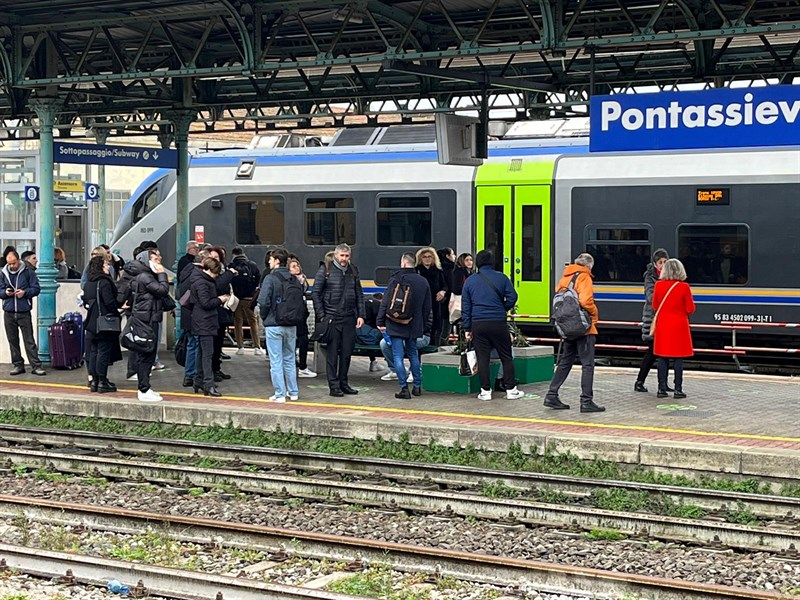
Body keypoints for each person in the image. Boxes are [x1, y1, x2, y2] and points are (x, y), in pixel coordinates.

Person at [544, 253, 604, 413]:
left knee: (565, 362)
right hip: (584, 328)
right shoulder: (584, 277)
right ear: (589, 266)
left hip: (568, 327)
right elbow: (586, 301)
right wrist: (595, 313)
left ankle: (551, 395)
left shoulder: (565, 278)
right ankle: (586, 401)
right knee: (587, 365)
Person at [461, 249, 523, 401]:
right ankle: (510, 390)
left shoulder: (470, 281)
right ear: (492, 262)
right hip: (498, 322)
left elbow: (466, 307)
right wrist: (503, 307)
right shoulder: (501, 278)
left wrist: (467, 328)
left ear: (477, 263)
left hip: (478, 324)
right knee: (506, 356)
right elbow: (513, 296)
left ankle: (485, 391)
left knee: (483, 358)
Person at [311, 243, 365, 397]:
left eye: (347, 256)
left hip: (349, 318)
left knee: (347, 353)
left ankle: (344, 383)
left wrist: (361, 314)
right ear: (335, 255)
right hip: (332, 318)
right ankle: (333, 386)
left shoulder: (353, 271)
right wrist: (322, 315)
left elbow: (359, 294)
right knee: (333, 354)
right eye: (342, 255)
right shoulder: (325, 270)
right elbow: (316, 293)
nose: (344, 259)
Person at [377, 252, 432, 399]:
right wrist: (422, 323)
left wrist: (380, 321)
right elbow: (427, 307)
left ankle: (404, 389)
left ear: (404, 263)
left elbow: (386, 301)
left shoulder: (396, 279)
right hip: (414, 324)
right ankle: (417, 386)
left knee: (398, 355)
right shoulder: (423, 281)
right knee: (413, 353)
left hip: (396, 322)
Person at [123, 248, 169, 402]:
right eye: (156, 258)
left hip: (148, 317)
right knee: (147, 355)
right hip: (147, 319)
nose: (160, 260)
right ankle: (143, 389)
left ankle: (146, 387)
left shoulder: (143, 276)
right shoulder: (145, 277)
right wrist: (162, 274)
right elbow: (162, 290)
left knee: (147, 354)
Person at [258, 248, 300, 402]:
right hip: (291, 324)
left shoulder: (271, 278)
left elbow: (263, 301)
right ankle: (293, 392)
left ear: (276, 260)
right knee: (289, 358)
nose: (269, 262)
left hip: (274, 324)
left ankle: (279, 394)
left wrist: (265, 317)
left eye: (270, 259)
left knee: (276, 360)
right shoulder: (294, 278)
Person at [653, 258, 696, 399]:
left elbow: (655, 306)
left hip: (663, 325)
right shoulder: (684, 287)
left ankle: (661, 389)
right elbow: (690, 309)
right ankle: (678, 389)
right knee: (678, 359)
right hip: (679, 326)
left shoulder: (658, 285)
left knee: (662, 357)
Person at [1, 248, 45, 376]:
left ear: (19, 260)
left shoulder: (28, 272)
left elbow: (36, 288)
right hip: (8, 311)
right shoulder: (3, 273)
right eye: (9, 264)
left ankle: (36, 366)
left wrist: (25, 293)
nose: (12, 266)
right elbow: (0, 290)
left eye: (14, 263)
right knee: (12, 340)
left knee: (29, 340)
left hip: (23, 311)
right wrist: (5, 293)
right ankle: (18, 365)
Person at [83, 255, 122, 393]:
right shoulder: (104, 282)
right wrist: (119, 308)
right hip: (105, 321)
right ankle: (102, 380)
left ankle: (94, 380)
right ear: (100, 266)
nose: (108, 266)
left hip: (91, 322)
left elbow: (87, 300)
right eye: (105, 264)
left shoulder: (88, 283)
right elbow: (110, 302)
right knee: (103, 351)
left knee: (93, 351)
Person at [190, 256, 228, 397]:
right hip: (205, 320)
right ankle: (208, 384)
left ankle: (198, 380)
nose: (216, 276)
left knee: (201, 352)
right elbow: (206, 303)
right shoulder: (203, 283)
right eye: (215, 273)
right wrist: (220, 299)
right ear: (208, 270)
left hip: (202, 320)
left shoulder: (199, 280)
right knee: (207, 354)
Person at [635, 249, 670, 393]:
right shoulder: (650, 277)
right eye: (660, 262)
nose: (662, 265)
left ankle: (663, 383)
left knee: (664, 352)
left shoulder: (670, 276)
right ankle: (640, 381)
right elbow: (650, 297)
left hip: (666, 318)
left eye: (665, 262)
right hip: (652, 318)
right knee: (653, 352)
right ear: (655, 264)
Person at [178, 250, 207, 387]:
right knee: (197, 345)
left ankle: (189, 375)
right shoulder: (198, 275)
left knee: (191, 345)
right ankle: (195, 375)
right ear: (202, 261)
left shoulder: (186, 271)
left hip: (186, 313)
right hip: (195, 314)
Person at [229, 247, 263, 356]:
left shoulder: (232, 266)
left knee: (237, 321)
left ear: (233, 254)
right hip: (249, 298)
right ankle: (257, 347)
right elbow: (258, 278)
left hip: (236, 298)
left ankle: (240, 346)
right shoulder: (252, 265)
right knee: (253, 321)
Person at [209, 246, 235, 381]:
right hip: (213, 313)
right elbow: (218, 286)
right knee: (212, 345)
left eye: (217, 258)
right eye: (212, 257)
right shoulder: (209, 275)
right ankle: (211, 371)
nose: (215, 260)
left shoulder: (222, 272)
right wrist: (229, 274)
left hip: (222, 313)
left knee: (218, 343)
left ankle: (216, 368)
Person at [289, 257, 316, 378]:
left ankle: (303, 366)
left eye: (297, 265)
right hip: (294, 315)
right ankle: (299, 366)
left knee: (303, 340)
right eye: (293, 266)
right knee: (294, 341)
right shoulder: (291, 282)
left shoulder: (302, 280)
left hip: (301, 315)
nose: (297, 268)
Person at [415, 247, 448, 346]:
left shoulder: (438, 271)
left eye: (430, 257)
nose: (427, 259)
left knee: (436, 328)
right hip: (421, 304)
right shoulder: (417, 271)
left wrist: (443, 291)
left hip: (435, 304)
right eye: (424, 257)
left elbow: (445, 285)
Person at [436, 247, 456, 345]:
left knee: (439, 327)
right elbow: (452, 286)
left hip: (440, 302)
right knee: (446, 326)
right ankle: (443, 343)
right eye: (452, 254)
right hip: (448, 302)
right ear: (448, 256)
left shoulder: (438, 269)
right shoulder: (451, 269)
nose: (454, 256)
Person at [449, 252, 474, 326]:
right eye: (467, 260)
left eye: (471, 260)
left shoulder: (471, 273)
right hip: (462, 300)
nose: (470, 262)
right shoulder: (459, 272)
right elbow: (456, 289)